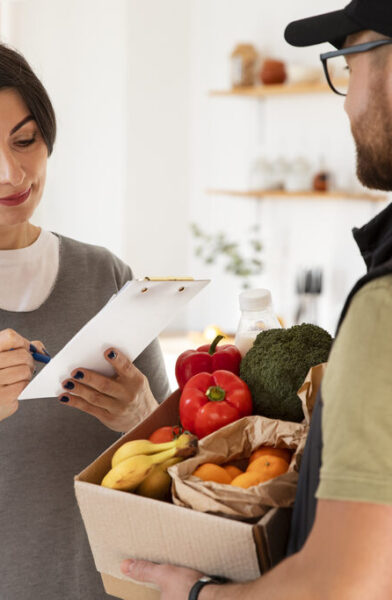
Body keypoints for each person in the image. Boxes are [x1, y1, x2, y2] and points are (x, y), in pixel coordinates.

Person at [121, 1, 392, 598]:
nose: (347, 101)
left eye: (348, 66)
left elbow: (345, 586)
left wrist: (200, 595)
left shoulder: (390, 304)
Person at [0, 44, 170, 598]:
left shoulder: (106, 275)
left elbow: (177, 456)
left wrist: (142, 417)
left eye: (25, 141)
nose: (11, 172)